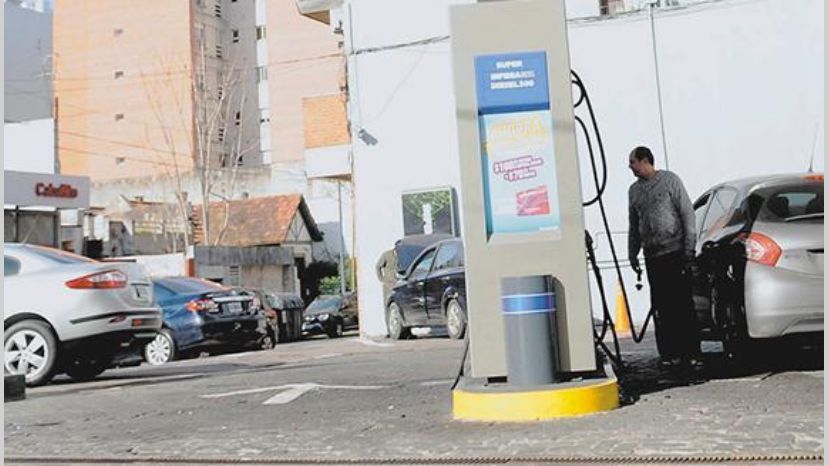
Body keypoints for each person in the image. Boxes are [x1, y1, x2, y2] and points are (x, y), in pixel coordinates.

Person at [627, 146, 699, 368]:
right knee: (661, 307)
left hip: (675, 253)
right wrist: (632, 253)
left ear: (644, 160)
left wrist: (689, 249)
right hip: (653, 256)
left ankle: (691, 353)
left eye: (632, 161)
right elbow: (634, 224)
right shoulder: (634, 191)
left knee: (682, 306)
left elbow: (687, 214)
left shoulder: (670, 181)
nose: (629, 166)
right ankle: (669, 354)